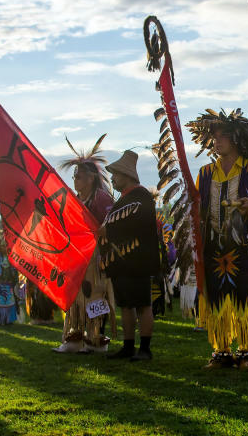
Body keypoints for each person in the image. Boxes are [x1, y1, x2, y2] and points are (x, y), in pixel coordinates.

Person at [186, 109, 248, 370]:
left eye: (223, 136)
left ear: (236, 139)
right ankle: (221, 351)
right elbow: (196, 208)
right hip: (214, 247)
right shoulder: (205, 174)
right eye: (215, 137)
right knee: (217, 298)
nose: (217, 141)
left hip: (244, 248)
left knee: (246, 295)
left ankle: (247, 351)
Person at [53, 135, 116, 353]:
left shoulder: (101, 198)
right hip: (77, 261)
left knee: (94, 295)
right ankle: (75, 337)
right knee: (76, 297)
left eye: (78, 177)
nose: (75, 180)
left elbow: (111, 227)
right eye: (74, 177)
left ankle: (95, 339)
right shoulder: (78, 200)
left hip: (95, 262)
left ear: (91, 178)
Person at [100, 150, 161, 361]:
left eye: (115, 174)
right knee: (126, 305)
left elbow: (136, 224)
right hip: (123, 262)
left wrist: (109, 228)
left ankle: (144, 349)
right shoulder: (124, 200)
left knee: (143, 305)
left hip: (139, 261)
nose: (112, 178)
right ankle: (128, 346)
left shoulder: (141, 196)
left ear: (127, 175)